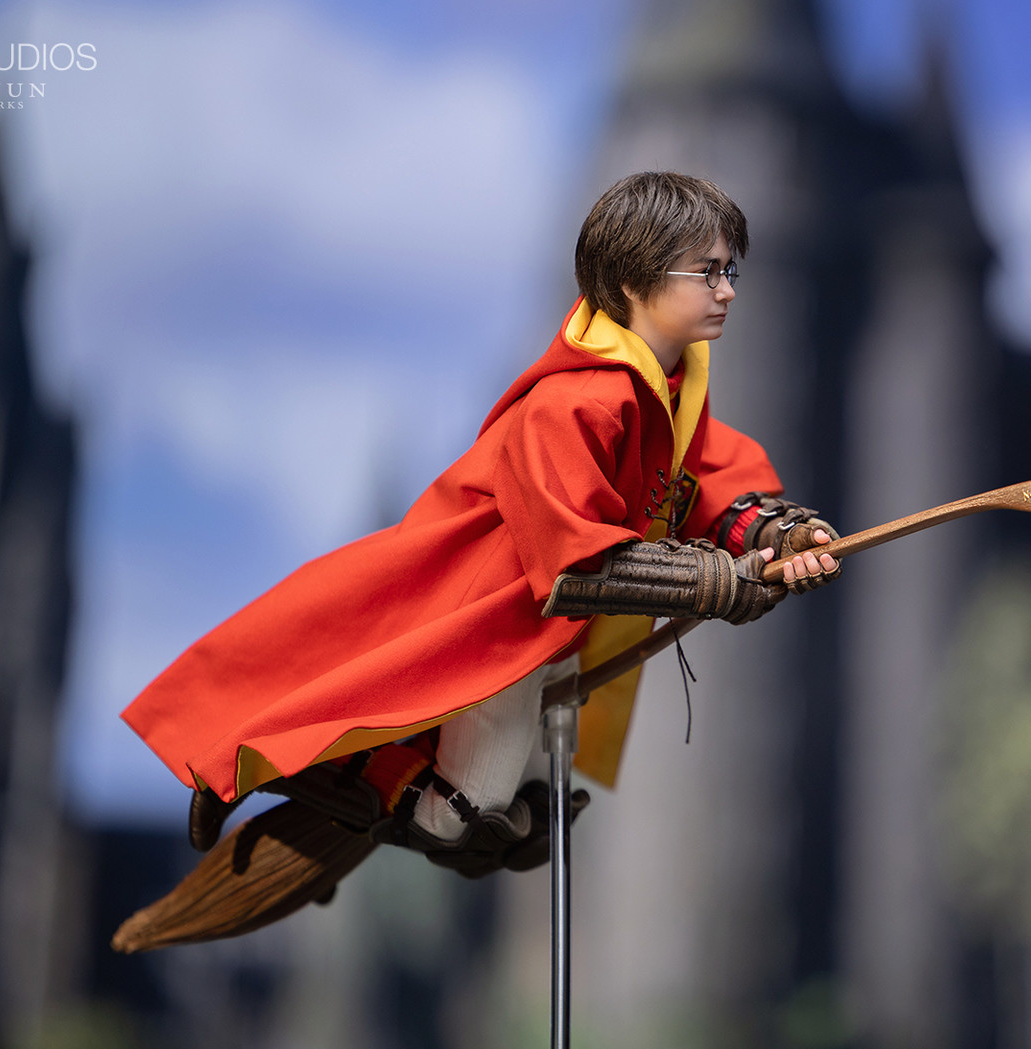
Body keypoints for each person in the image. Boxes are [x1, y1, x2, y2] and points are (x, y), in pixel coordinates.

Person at [122, 172, 840, 877]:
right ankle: (316, 769)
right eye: (706, 272)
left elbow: (702, 483)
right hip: (496, 619)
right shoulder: (573, 405)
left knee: (521, 817)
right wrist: (718, 582)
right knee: (461, 818)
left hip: (562, 631)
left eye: (729, 270)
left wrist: (776, 540)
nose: (727, 290)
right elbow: (574, 565)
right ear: (634, 280)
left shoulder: (673, 387)